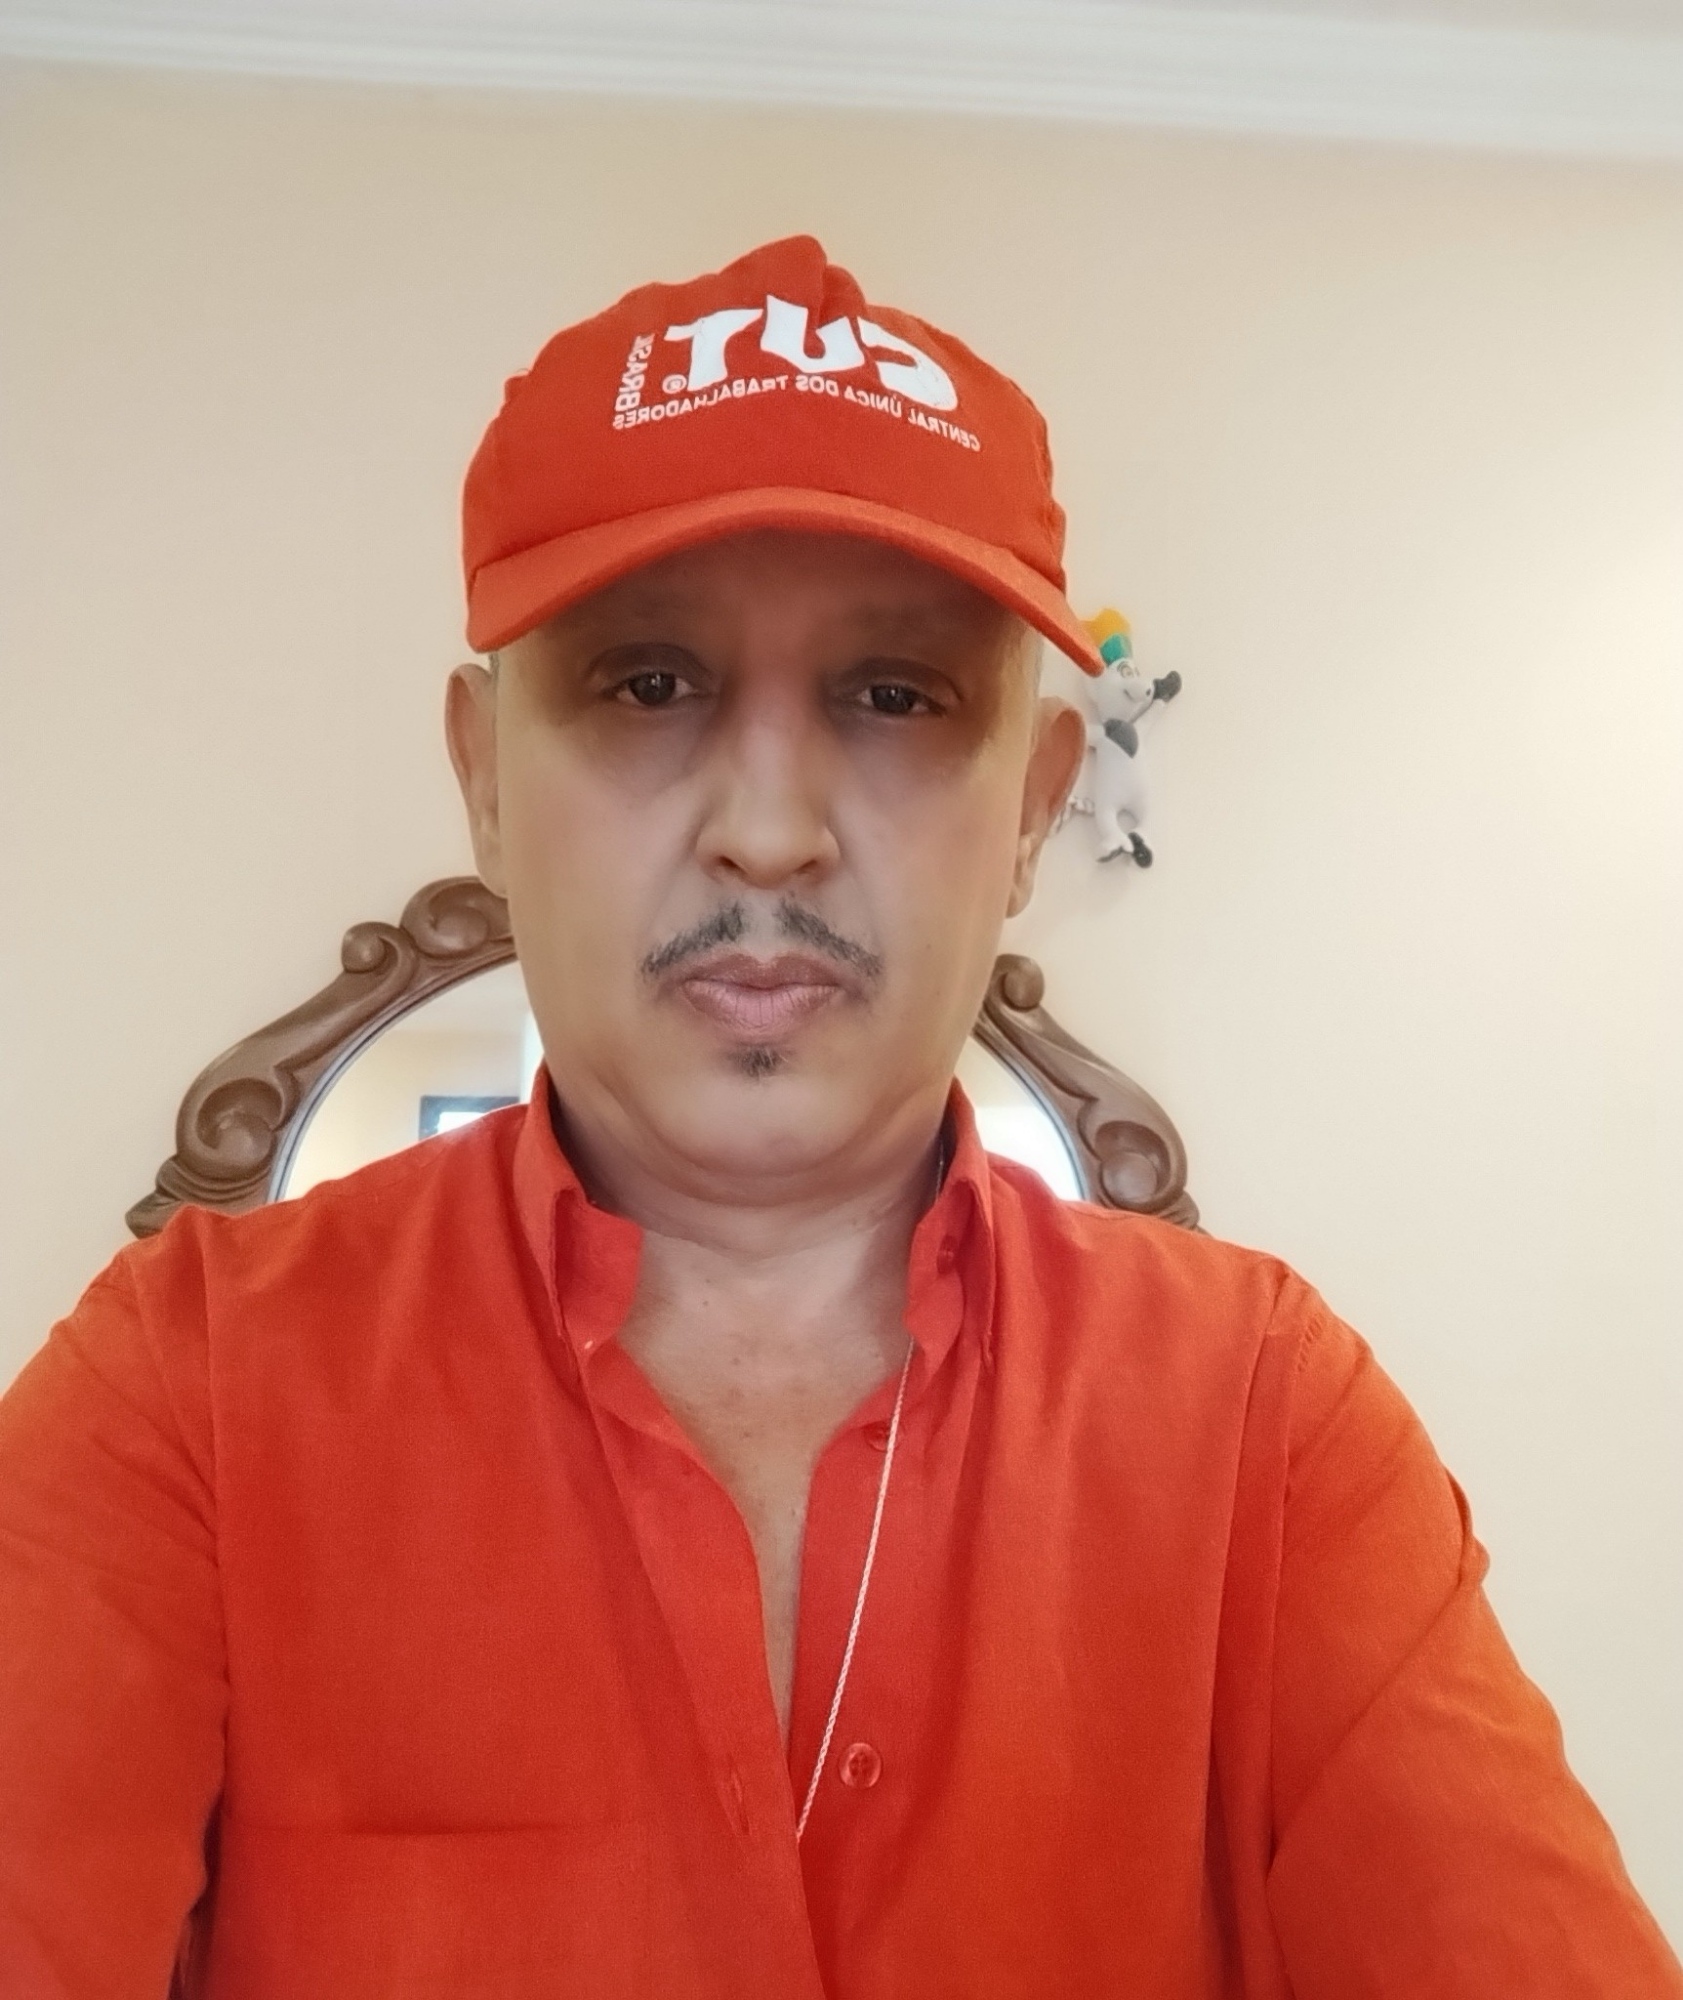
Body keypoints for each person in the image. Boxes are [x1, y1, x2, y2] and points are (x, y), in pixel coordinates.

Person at [0, 234, 1677, 2000]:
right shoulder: (188, 1388)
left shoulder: (1262, 1419)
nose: (771, 831)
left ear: (1031, 809)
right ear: (484, 781)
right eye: (650, 683)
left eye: (894, 697)